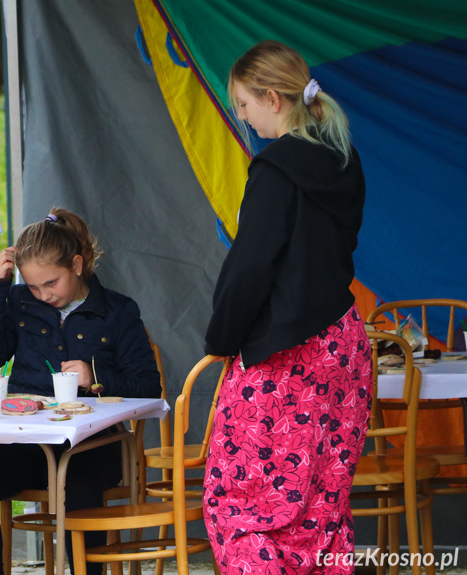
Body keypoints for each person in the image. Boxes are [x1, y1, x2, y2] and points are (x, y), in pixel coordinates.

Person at [202, 40, 371, 575]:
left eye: (243, 106)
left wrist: (221, 339)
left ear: (272, 98)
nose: (243, 118)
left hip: (286, 356)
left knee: (240, 506)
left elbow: (251, 265)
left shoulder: (275, 169)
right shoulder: (343, 159)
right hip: (344, 348)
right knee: (321, 509)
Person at [0, 208, 161, 575]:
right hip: (28, 440)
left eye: (51, 283)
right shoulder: (20, 303)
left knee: (78, 493)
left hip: (96, 444)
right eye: (33, 286)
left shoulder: (117, 310)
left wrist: (94, 375)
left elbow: (148, 387)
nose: (43, 294)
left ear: (78, 265)